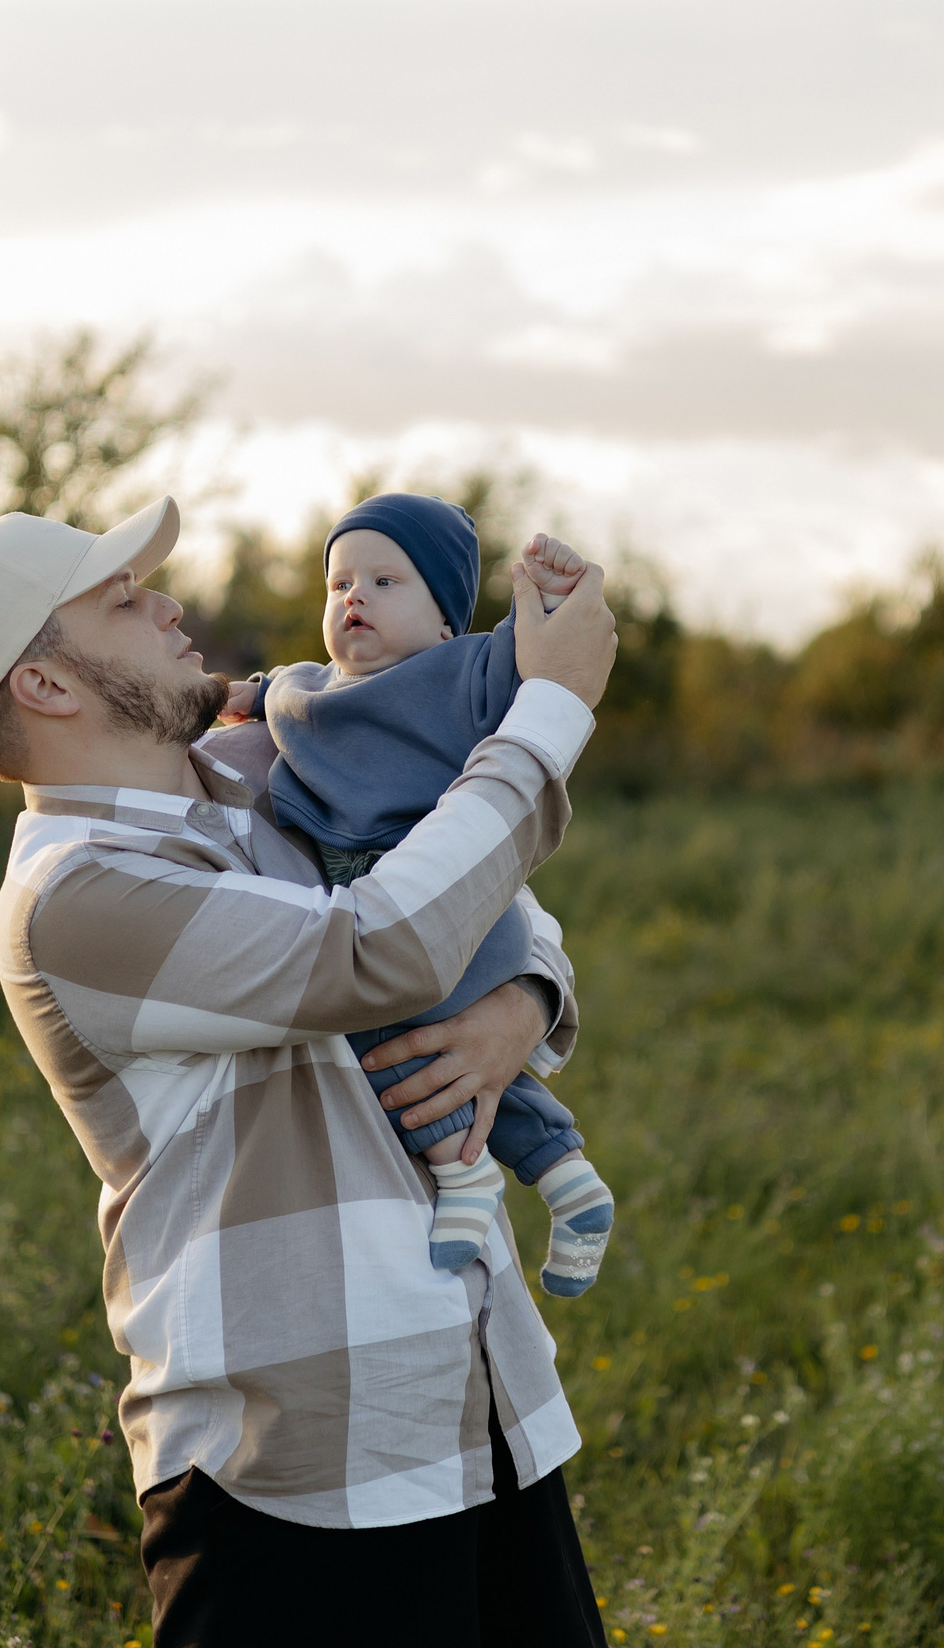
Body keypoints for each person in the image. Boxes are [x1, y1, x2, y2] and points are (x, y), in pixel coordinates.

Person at [0, 498, 617, 1647]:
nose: (169, 602)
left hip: (482, 1403)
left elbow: (475, 889)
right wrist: (551, 711)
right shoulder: (75, 899)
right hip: (295, 1470)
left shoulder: (258, 777)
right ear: (47, 684)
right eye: (123, 601)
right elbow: (374, 948)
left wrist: (516, 1001)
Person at [219, 493, 614, 1296]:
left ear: (444, 619)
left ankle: (462, 1178)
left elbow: (535, 655)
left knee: (376, 1032)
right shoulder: (303, 689)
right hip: (387, 904)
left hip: (452, 906)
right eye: (339, 583)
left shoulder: (458, 672)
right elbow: (253, 693)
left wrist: (547, 591)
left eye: (386, 581)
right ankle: (572, 1179)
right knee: (454, 1060)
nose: (354, 596)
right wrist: (213, 698)